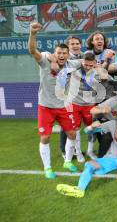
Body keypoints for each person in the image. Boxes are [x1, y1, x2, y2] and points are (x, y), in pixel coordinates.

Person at [56, 112, 117, 198]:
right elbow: (86, 132)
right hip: (110, 158)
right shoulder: (112, 125)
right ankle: (79, 189)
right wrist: (92, 127)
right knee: (90, 165)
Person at [28, 22, 82, 179]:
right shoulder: (45, 61)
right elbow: (32, 50)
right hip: (46, 106)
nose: (62, 55)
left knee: (72, 134)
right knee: (45, 137)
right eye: (59, 53)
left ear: (68, 54)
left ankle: (67, 161)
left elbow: (88, 60)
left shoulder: (72, 64)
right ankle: (48, 168)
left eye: (65, 53)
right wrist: (32, 33)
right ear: (54, 53)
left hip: (64, 106)